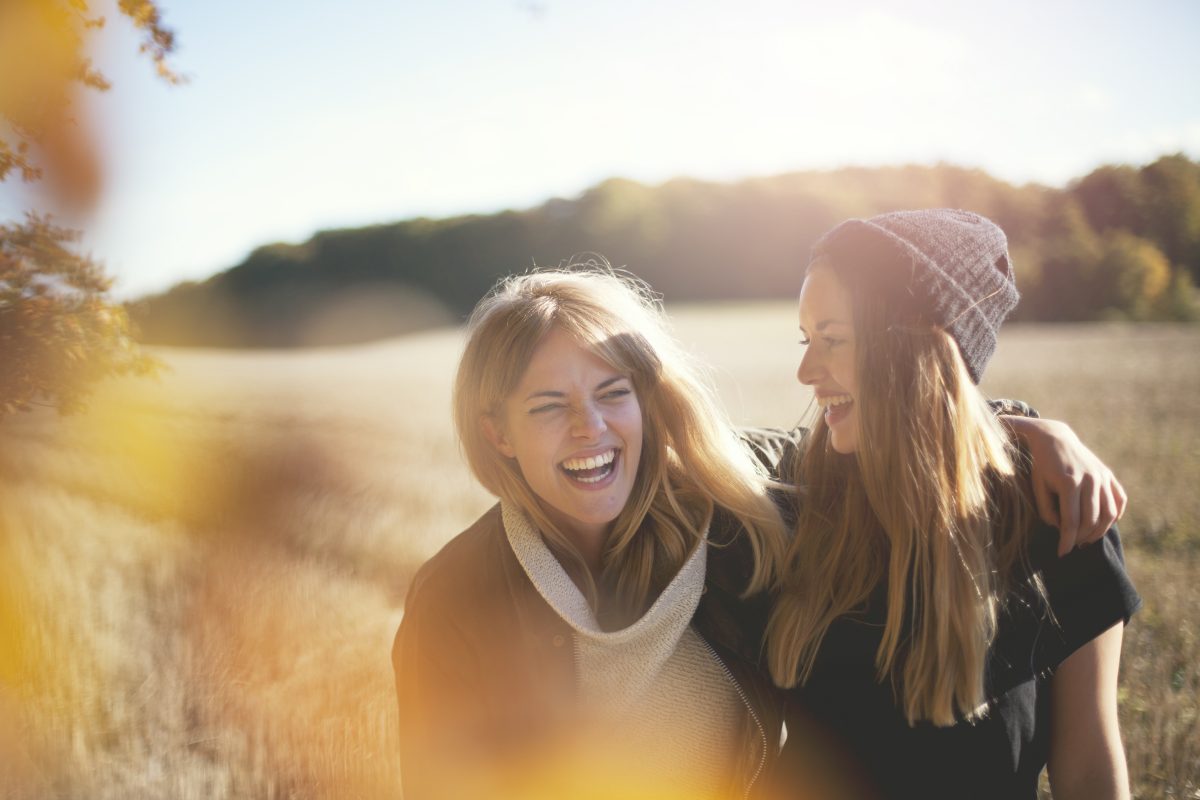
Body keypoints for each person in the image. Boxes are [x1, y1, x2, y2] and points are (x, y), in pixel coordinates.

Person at [394, 263, 1127, 800]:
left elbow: (893, 425)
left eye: (614, 393)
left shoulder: (733, 500)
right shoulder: (455, 600)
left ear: (650, 402)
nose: (592, 429)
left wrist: (1025, 430)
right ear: (497, 433)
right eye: (549, 405)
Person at [766, 210, 1141, 799]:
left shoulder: (1055, 513)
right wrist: (1025, 426)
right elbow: (689, 448)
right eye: (806, 340)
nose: (806, 370)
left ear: (915, 349)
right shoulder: (800, 497)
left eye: (832, 340)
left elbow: (1090, 769)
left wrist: (1018, 432)